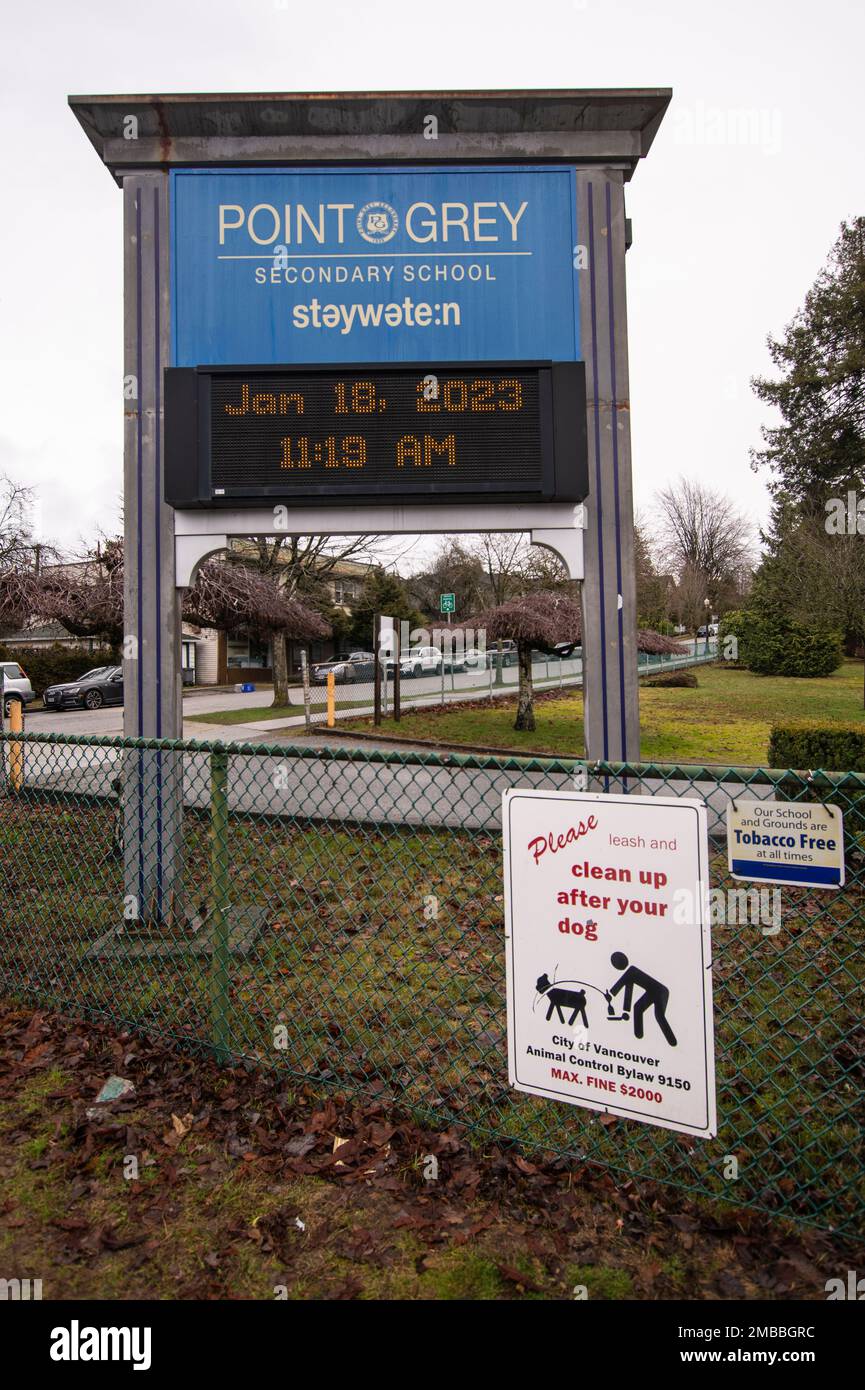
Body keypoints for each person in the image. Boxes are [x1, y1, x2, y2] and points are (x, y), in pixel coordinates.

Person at [605, 951, 677, 1046]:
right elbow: (628, 989)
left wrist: (612, 993)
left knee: (659, 1015)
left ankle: (672, 1042)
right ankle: (638, 1035)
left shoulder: (631, 971)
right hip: (652, 991)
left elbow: (623, 986)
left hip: (660, 992)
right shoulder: (630, 974)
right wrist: (626, 1008)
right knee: (638, 1007)